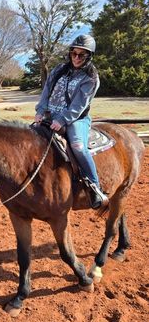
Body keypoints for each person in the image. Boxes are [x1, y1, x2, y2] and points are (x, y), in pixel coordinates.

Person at [34, 34, 108, 209]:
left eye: (81, 55)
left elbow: (79, 105)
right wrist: (40, 111)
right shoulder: (59, 70)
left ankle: (95, 187)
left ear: (89, 56)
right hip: (50, 115)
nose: (76, 58)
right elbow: (46, 91)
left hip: (76, 119)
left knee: (78, 147)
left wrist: (62, 119)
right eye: (74, 53)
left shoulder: (91, 77)